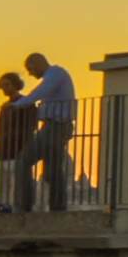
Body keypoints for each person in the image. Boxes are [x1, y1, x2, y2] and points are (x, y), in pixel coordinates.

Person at [25, 51, 78, 209]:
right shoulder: (55, 75)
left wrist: (20, 103)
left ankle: (25, 205)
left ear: (38, 63)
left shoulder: (55, 74)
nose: (30, 73)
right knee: (52, 170)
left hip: (56, 126)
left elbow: (39, 92)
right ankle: (57, 207)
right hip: (53, 126)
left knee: (24, 161)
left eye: (30, 68)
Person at [0, 70, 36, 211]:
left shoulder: (27, 104)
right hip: (3, 152)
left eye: (7, 85)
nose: (4, 89)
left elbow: (29, 128)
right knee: (1, 186)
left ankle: (16, 210)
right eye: (2, 86)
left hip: (17, 151)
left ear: (16, 85)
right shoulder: (5, 107)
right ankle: (2, 210)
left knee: (17, 185)